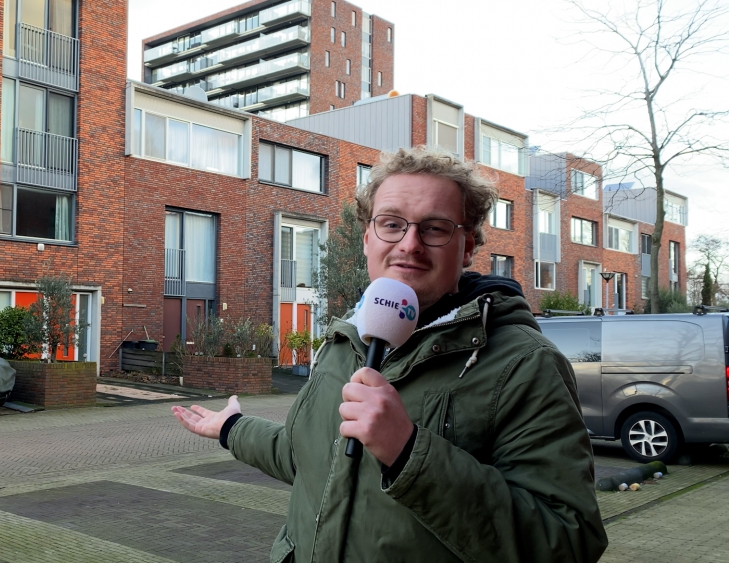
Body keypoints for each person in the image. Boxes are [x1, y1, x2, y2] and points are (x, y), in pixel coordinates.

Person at [172, 146, 608, 562]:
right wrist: (231, 427)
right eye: (392, 224)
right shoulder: (345, 340)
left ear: (469, 247)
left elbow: (567, 541)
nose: (409, 244)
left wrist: (407, 451)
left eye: (434, 228)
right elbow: (304, 458)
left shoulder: (524, 364)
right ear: (367, 239)